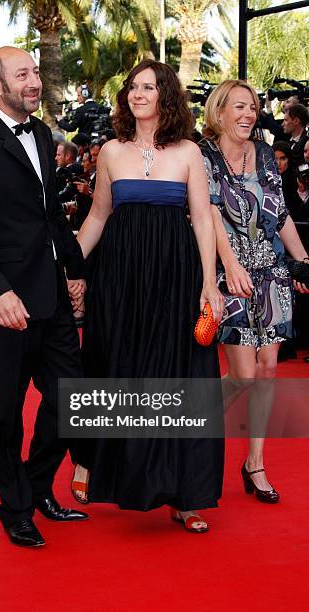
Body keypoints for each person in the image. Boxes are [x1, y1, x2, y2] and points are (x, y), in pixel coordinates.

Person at [70, 59, 225, 533]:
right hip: (120, 277)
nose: (138, 94)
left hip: (175, 277)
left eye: (149, 87)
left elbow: (202, 219)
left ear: (166, 96)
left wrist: (208, 281)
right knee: (117, 364)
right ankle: (101, 467)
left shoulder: (189, 153)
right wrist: (66, 267)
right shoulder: (112, 151)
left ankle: (186, 493)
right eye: (133, 87)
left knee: (178, 375)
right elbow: (97, 216)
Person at [0, 46, 88, 549]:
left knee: (72, 398)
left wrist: (75, 270)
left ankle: (35, 483)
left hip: (50, 295)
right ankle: (15, 505)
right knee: (5, 411)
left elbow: (50, 215)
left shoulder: (45, 132)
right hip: (5, 304)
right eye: (22, 74)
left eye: (35, 72)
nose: (34, 81)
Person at [199, 79, 309, 504]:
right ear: (220, 111)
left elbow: (278, 213)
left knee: (267, 371)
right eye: (239, 106)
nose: (248, 114)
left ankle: (255, 463)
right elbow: (208, 213)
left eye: (253, 107)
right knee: (243, 374)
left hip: (271, 273)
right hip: (232, 275)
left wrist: (301, 261)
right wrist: (230, 266)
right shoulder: (204, 154)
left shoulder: (264, 153)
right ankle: (195, 423)